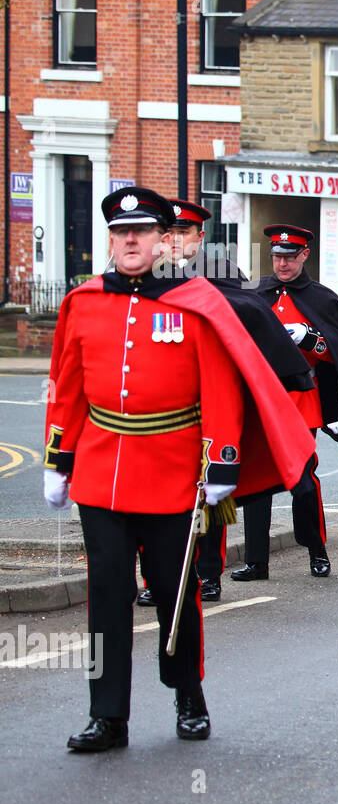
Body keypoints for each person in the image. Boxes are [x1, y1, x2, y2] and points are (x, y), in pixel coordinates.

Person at [44, 186, 315, 752]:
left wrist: (220, 463)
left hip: (173, 475)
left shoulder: (196, 301)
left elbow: (219, 388)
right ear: (112, 240)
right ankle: (108, 716)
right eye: (121, 233)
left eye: (141, 232)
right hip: (100, 473)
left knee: (176, 592)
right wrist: (59, 458)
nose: (130, 241)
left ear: (165, 240)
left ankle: (188, 695)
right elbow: (67, 387)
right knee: (107, 597)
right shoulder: (83, 302)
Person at [136, 200, 313, 606]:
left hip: (205, 401)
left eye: (186, 233)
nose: (178, 241)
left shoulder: (222, 274)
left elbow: (253, 322)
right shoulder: (144, 276)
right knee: (152, 496)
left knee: (208, 493)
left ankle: (206, 576)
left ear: (200, 237)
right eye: (171, 233)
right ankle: (155, 579)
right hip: (155, 406)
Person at [229, 225, 338, 583]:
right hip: (261, 398)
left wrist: (311, 339)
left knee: (302, 478)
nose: (282, 263)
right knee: (257, 479)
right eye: (277, 256)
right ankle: (257, 560)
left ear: (305, 255)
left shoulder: (324, 299)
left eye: (290, 256)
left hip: (302, 399)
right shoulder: (255, 293)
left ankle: (316, 549)